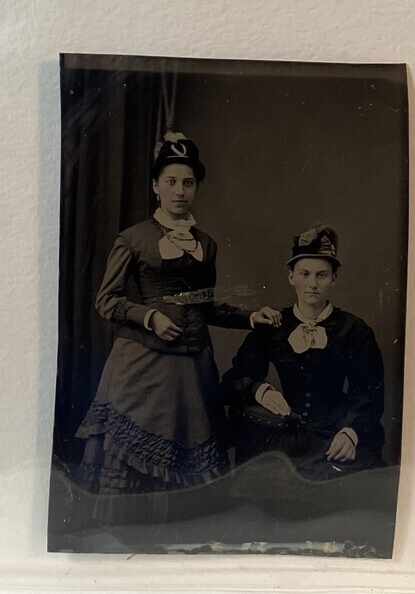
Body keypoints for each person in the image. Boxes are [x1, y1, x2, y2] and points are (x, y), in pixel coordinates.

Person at [74, 138, 280, 522]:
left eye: (187, 183)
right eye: (170, 182)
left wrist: (250, 317)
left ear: (196, 188)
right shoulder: (133, 239)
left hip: (193, 369)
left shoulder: (207, 245)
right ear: (155, 186)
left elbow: (203, 304)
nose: (179, 191)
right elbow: (106, 301)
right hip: (142, 365)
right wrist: (149, 317)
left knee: (189, 470)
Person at [221, 225, 385, 480]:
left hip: (334, 433)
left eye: (321, 275)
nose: (312, 284)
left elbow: (368, 395)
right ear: (291, 277)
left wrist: (351, 432)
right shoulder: (273, 325)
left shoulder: (354, 330)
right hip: (284, 434)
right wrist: (260, 390)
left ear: (334, 279)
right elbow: (233, 380)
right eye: (304, 274)